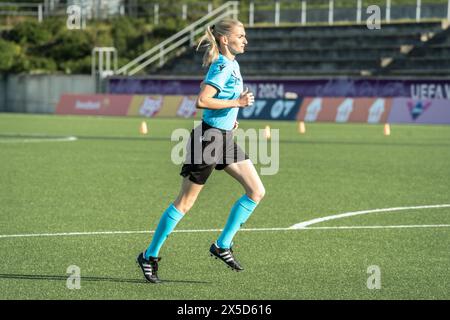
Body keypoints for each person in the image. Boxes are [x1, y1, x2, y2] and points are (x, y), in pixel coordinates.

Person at [136, 18, 265, 284]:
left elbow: (215, 101)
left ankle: (222, 245)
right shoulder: (221, 65)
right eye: (241, 36)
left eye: (245, 36)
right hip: (208, 140)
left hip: (224, 138)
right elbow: (202, 100)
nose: (245, 40)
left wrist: (231, 115)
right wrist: (237, 102)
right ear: (225, 39)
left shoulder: (232, 64)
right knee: (185, 202)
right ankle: (149, 255)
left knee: (256, 191)